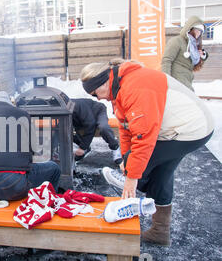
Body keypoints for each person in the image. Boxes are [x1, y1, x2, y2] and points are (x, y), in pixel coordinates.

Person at [80, 58, 214, 246]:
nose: (98, 99)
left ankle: (132, 185)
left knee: (142, 171)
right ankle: (160, 231)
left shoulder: (135, 86)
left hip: (190, 128)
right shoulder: (118, 88)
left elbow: (143, 137)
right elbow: (126, 129)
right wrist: (126, 160)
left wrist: (131, 176)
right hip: (179, 127)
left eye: (96, 93)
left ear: (104, 82)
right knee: (162, 175)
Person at [0, 91, 61, 202]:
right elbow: (34, 149)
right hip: (11, 183)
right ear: (9, 102)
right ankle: (51, 204)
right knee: (54, 169)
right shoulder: (22, 114)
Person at [161, 16, 209, 91]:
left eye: (201, 31)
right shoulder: (177, 41)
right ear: (190, 28)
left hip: (187, 79)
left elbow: (194, 66)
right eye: (197, 30)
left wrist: (202, 57)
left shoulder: (193, 46)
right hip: (177, 79)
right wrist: (167, 81)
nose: (199, 33)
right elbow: (166, 60)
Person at [70, 98, 122, 165]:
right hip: (82, 118)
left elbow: (91, 126)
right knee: (66, 130)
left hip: (97, 112)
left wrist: (82, 148)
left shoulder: (78, 107)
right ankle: (86, 148)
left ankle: (115, 147)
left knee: (103, 127)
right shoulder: (63, 107)